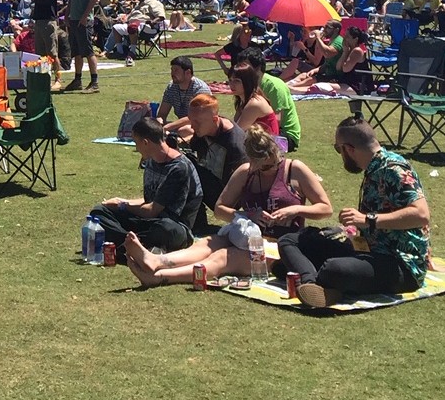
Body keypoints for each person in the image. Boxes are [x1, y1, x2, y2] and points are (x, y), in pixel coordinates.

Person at [124, 125, 332, 287]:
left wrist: (296, 209)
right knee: (207, 244)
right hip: (245, 236)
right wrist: (248, 214)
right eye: (258, 167)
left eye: (268, 166)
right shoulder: (246, 172)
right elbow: (220, 209)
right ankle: (156, 261)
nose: (264, 170)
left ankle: (160, 277)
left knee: (223, 257)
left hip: (280, 246)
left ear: (274, 154)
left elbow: (325, 208)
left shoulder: (294, 170)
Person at [275, 117, 431, 309]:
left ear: (349, 149)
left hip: (399, 263)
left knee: (333, 269)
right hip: (367, 250)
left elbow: (421, 214)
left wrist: (368, 219)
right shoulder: (373, 168)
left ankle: (317, 281)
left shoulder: (394, 169)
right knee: (290, 241)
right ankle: (312, 283)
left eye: (338, 149)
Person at [89, 117, 203, 255]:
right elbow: (149, 201)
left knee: (165, 228)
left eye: (136, 143)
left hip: (173, 226)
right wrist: (121, 202)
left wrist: (122, 205)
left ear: (145, 142)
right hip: (148, 220)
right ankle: (136, 245)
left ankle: (128, 245)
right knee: (99, 212)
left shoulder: (178, 168)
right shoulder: (150, 160)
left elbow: (152, 210)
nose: (136, 148)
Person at [185, 94, 249, 217]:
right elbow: (194, 146)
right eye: (191, 120)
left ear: (215, 119)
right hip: (211, 178)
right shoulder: (207, 127)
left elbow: (236, 189)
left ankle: (196, 218)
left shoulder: (234, 144)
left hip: (226, 200)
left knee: (185, 167)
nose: (192, 126)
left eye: (197, 122)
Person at [238, 49, 301, 151]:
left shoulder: (275, 86)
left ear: (257, 67)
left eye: (244, 66)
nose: (241, 70)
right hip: (262, 130)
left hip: (285, 137)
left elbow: (277, 120)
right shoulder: (248, 85)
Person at [57, 0, 100, 93]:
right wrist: (68, 13)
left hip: (84, 19)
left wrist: (84, 16)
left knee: (88, 51)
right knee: (76, 52)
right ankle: (78, 79)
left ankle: (94, 82)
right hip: (74, 18)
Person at [155, 55, 211, 138]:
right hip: (181, 125)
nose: (172, 73)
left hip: (202, 125)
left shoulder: (200, 89)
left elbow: (195, 117)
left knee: (185, 130)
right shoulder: (171, 87)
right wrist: (159, 121)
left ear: (188, 72)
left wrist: (168, 127)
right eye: (172, 70)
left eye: (176, 70)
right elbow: (162, 113)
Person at [229, 63, 280, 136]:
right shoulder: (244, 101)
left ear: (248, 82)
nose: (231, 84)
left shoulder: (254, 103)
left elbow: (237, 133)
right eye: (230, 80)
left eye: (237, 81)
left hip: (266, 145)